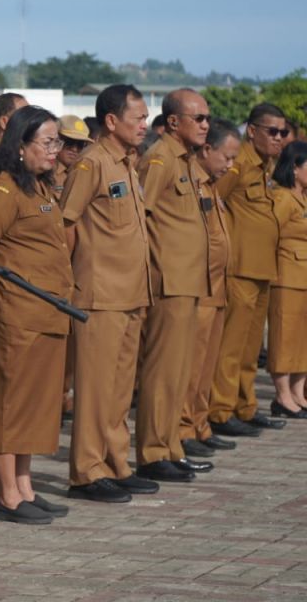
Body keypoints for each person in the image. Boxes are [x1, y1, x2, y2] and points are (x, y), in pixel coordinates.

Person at [0, 105, 74, 525]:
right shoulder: (4, 190)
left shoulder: (39, 188)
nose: (55, 150)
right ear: (21, 145)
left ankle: (25, 486)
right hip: (15, 315)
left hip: (45, 314)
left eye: (57, 142)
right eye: (47, 142)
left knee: (32, 405)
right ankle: (7, 494)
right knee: (10, 405)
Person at [60, 84, 156, 504]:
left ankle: (117, 463)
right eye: (138, 118)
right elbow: (65, 224)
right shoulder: (92, 164)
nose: (144, 125)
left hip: (132, 292)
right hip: (99, 294)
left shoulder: (128, 164)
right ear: (112, 121)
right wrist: (69, 282)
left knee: (119, 389)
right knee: (96, 389)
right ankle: (87, 471)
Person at [133, 89, 213, 483]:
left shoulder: (185, 161)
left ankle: (170, 446)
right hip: (168, 279)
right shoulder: (161, 158)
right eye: (198, 118)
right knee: (162, 370)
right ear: (173, 122)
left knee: (180, 369)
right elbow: (137, 216)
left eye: (207, 119)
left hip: (189, 278)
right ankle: (151, 451)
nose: (205, 125)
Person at [210, 103, 293, 437]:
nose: (278, 138)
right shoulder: (239, 162)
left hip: (262, 268)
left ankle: (245, 406)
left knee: (248, 349)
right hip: (240, 267)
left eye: (283, 132)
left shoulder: (264, 165)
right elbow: (213, 199)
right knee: (231, 347)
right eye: (271, 131)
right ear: (253, 130)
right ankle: (221, 409)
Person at [180, 120, 241, 458]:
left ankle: (200, 424)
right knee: (190, 365)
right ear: (206, 150)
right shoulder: (191, 181)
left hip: (217, 287)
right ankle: (183, 426)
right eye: (226, 157)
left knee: (206, 366)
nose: (230, 165)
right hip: (197, 287)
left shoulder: (211, 185)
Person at [52, 115, 92, 417]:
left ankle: (63, 396)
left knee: (68, 344)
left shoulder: (76, 175)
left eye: (81, 144)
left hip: (74, 269)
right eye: (69, 142)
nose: (74, 149)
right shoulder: (42, 173)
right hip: (52, 266)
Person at [267, 140, 307, 417]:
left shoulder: (303, 197)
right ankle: (282, 396)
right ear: (295, 168)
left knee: (302, 339)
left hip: (303, 277)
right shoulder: (283, 198)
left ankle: (298, 392)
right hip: (287, 276)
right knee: (284, 336)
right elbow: (270, 233)